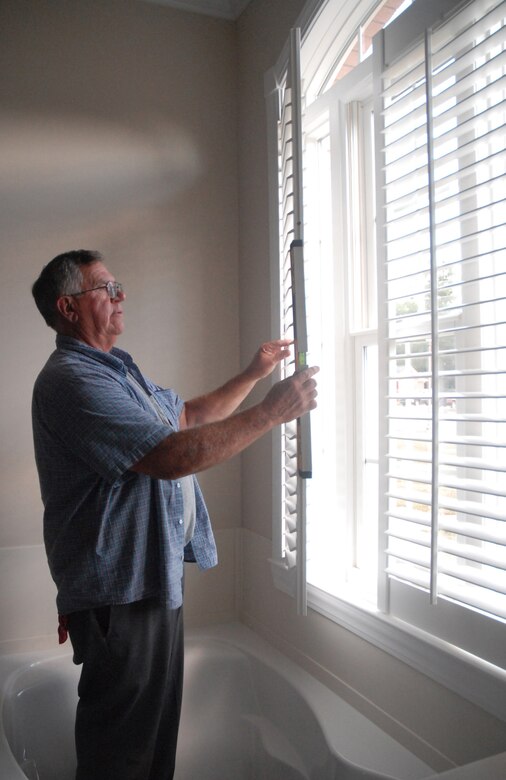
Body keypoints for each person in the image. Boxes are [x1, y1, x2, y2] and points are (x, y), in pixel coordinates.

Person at [31, 249, 318, 780]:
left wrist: (255, 374)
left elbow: (186, 417)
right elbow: (172, 456)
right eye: (107, 289)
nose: (122, 297)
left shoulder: (117, 371)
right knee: (122, 753)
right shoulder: (72, 380)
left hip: (149, 584)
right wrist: (274, 412)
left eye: (119, 287)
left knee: (152, 740)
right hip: (120, 595)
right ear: (68, 308)